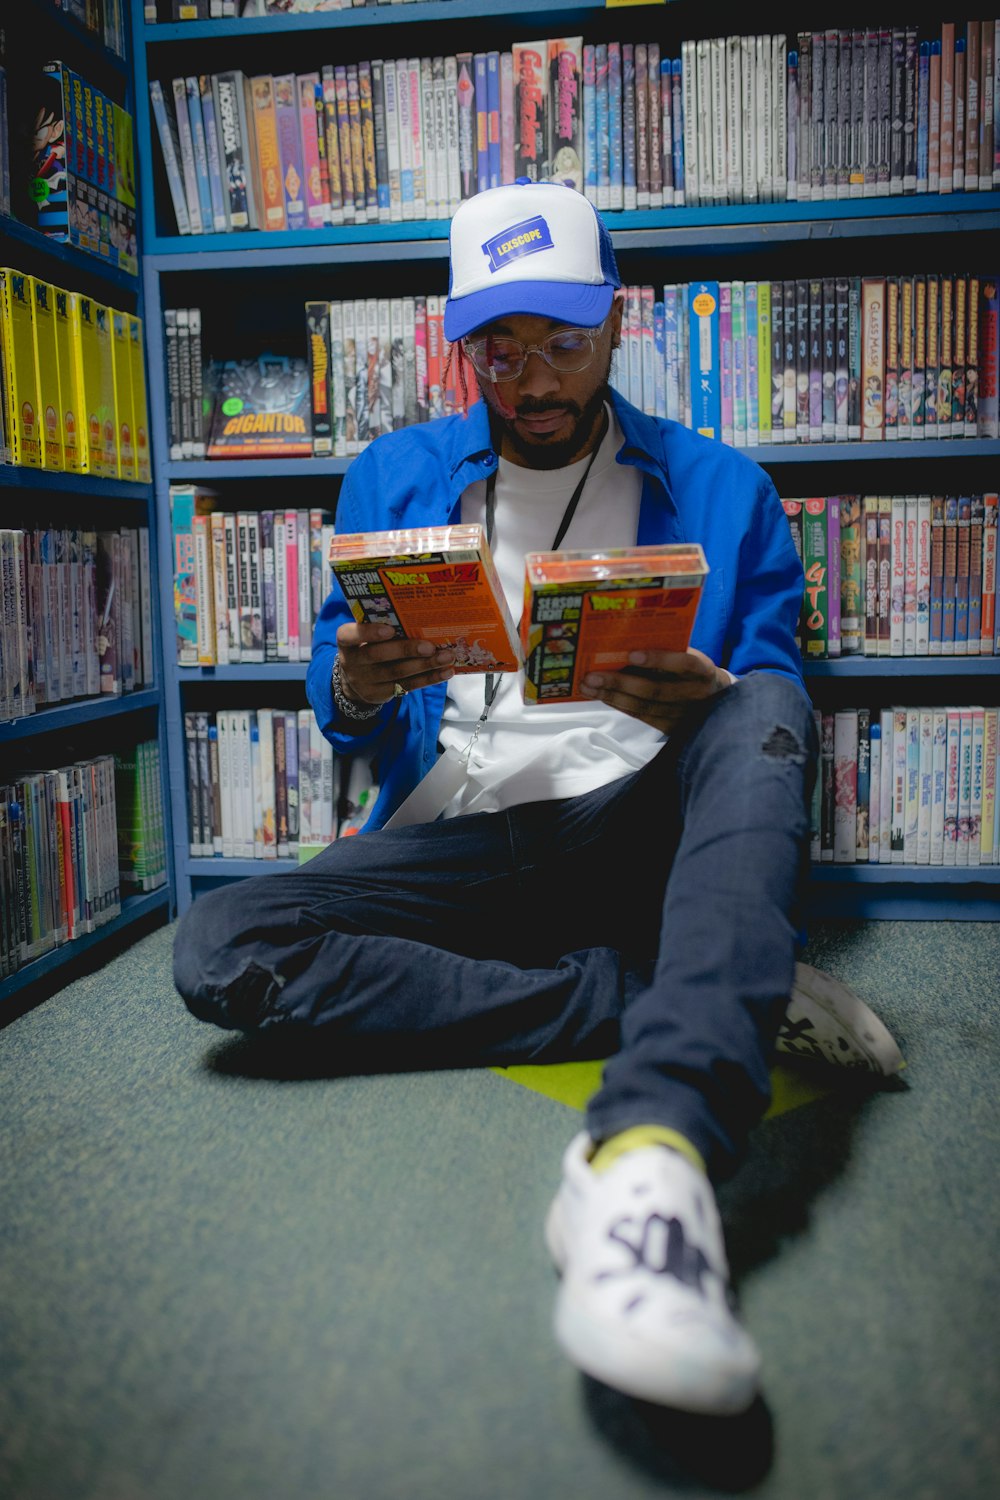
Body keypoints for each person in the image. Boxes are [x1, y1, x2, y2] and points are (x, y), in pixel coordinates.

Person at [174, 181, 901, 1416]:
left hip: (630, 826)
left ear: (617, 323)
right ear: (462, 347)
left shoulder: (723, 491)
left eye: (563, 344)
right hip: (453, 843)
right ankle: (642, 991)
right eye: (499, 351)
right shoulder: (396, 478)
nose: (533, 381)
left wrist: (706, 698)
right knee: (222, 947)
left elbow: (769, 723)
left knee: (767, 706)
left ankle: (653, 1142)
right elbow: (336, 707)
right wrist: (351, 676)